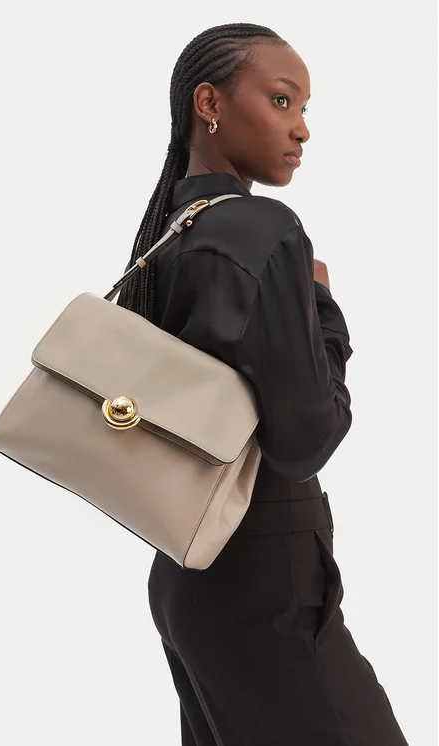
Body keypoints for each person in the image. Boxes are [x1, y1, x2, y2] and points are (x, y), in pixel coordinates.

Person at [116, 22, 410, 746]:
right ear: (208, 102)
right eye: (281, 101)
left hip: (187, 573)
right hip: (265, 581)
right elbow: (306, 439)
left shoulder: (170, 230)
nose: (301, 129)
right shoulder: (263, 229)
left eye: (304, 109)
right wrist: (324, 309)